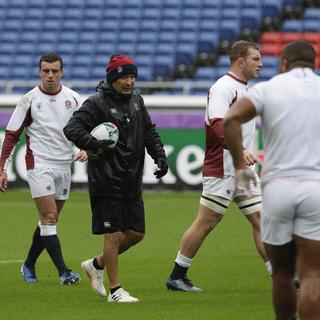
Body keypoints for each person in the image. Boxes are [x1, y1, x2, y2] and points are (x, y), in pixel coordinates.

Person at [224, 40, 320, 320]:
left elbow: (230, 120)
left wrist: (241, 167)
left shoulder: (268, 88)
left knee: (282, 274)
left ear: (284, 63)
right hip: (315, 187)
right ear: (313, 64)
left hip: (277, 187)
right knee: (313, 273)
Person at [166, 40, 271, 292]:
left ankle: (279, 273)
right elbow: (217, 125)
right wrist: (241, 150)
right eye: (256, 59)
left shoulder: (246, 90)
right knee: (206, 221)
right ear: (240, 61)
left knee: (261, 219)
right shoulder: (223, 87)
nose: (261, 63)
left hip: (242, 170)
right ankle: (176, 276)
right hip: (222, 168)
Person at [63, 53, 168, 303]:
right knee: (113, 235)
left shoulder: (137, 101)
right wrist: (94, 144)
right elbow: (72, 128)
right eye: (124, 77)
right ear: (112, 79)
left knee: (136, 234)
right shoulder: (96, 103)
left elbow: (148, 131)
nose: (129, 82)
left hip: (132, 180)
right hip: (107, 180)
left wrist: (159, 156)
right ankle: (116, 290)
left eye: (132, 77)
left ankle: (96, 264)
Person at [0, 52, 87, 284]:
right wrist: (2, 168)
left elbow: (85, 129)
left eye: (54, 71)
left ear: (62, 72)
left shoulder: (74, 98)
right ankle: (64, 272)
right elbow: (11, 135)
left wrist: (84, 147)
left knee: (50, 219)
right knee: (48, 216)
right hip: (39, 164)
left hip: (64, 165)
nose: (50, 75)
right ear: (39, 72)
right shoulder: (29, 100)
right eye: (46, 71)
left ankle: (28, 264)